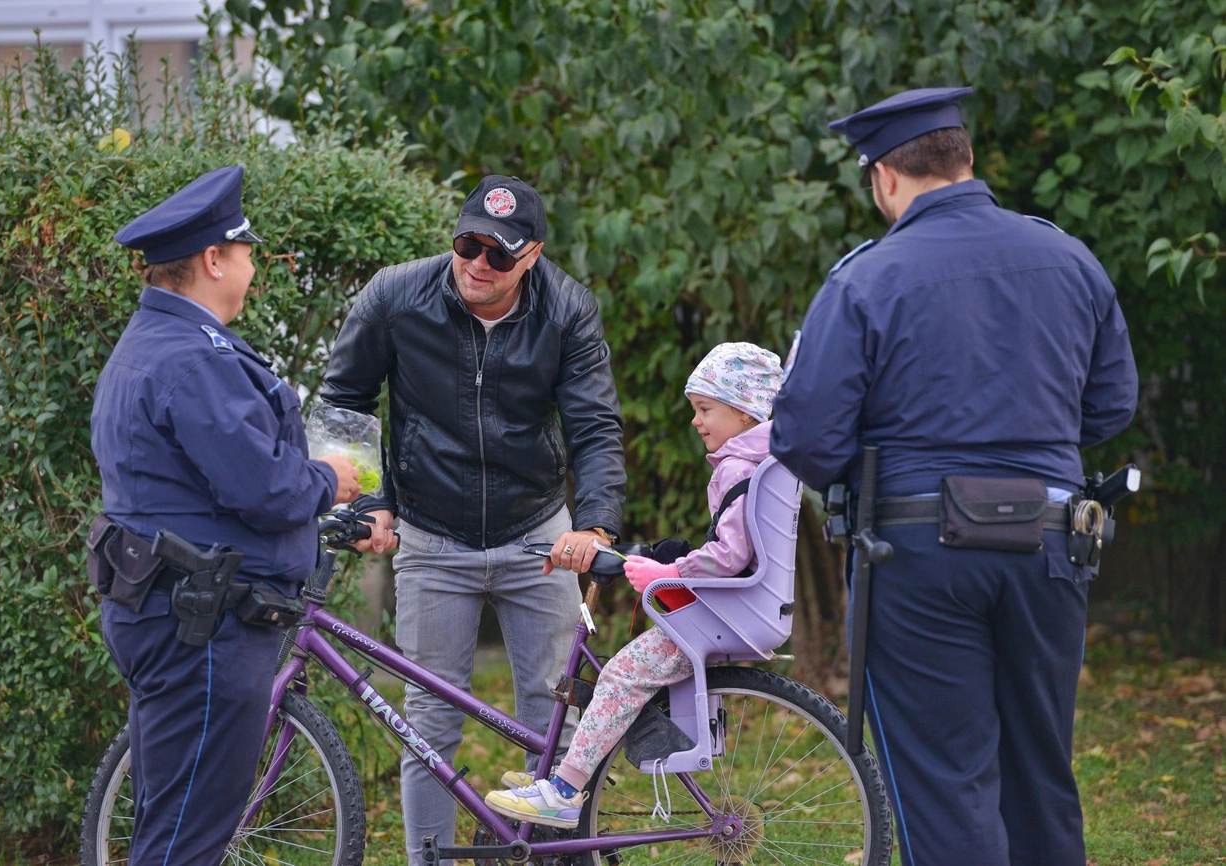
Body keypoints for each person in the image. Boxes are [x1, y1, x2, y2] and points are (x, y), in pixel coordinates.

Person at [769, 87, 1139, 866]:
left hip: (915, 555)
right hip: (1051, 543)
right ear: (966, 158)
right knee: (1041, 776)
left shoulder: (866, 279)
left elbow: (806, 438)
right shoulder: (1069, 259)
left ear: (884, 177)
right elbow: (1111, 405)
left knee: (943, 787)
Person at [319, 174, 626, 863]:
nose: (478, 264)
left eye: (499, 253)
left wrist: (595, 526)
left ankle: (558, 857)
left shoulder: (568, 310)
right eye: (467, 245)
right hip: (431, 536)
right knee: (427, 725)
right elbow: (344, 400)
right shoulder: (396, 296)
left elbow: (595, 427)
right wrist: (370, 500)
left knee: (554, 718)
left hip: (538, 533)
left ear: (533, 256)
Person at [90, 166, 361, 865]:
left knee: (171, 824)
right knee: (187, 840)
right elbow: (264, 487)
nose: (252, 267)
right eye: (245, 252)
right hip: (204, 629)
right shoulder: (192, 359)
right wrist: (328, 479)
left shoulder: (153, 344)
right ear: (213, 259)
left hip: (176, 614)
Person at [484, 342, 785, 827]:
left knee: (621, 675)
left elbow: (730, 556)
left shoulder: (738, 467)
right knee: (626, 673)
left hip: (720, 613)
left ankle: (565, 790)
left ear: (745, 413)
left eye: (705, 409)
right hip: (740, 608)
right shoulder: (764, 461)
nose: (696, 421)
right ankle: (560, 772)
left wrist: (671, 573)